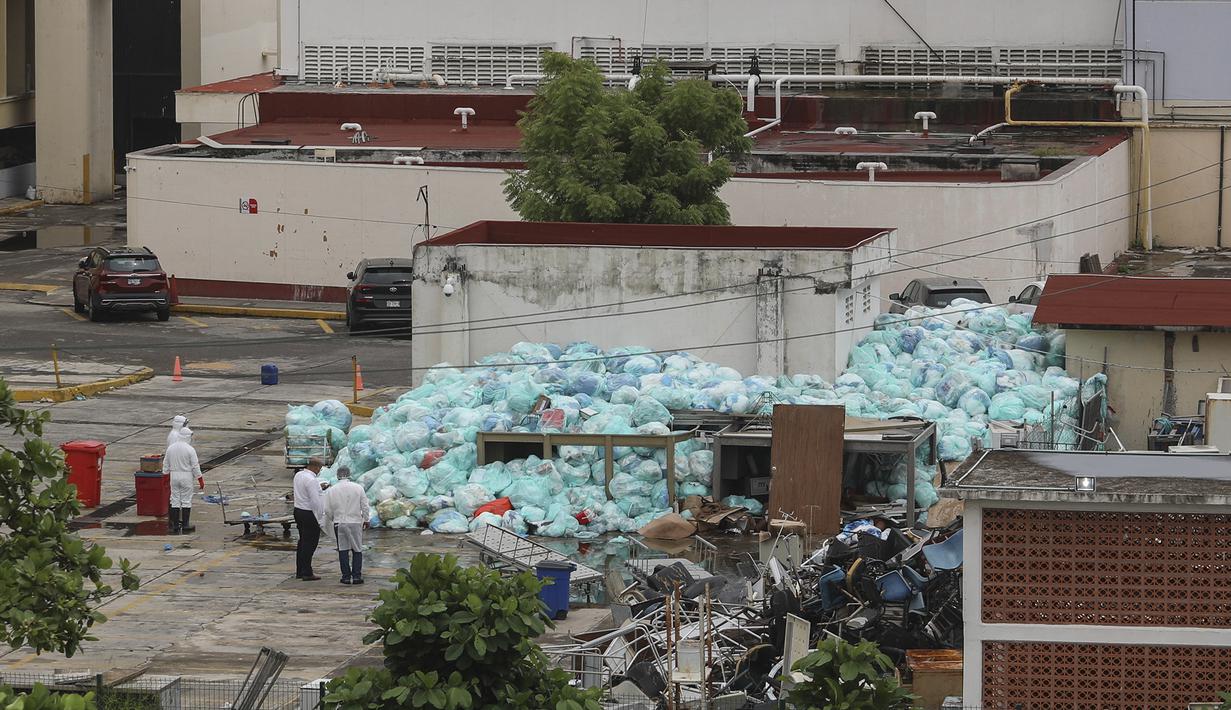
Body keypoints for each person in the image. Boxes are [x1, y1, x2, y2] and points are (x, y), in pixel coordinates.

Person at [323, 466, 370, 585]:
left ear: (337, 475)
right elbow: (364, 505)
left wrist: (334, 519)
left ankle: (345, 576)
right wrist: (366, 519)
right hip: (354, 522)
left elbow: (327, 509)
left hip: (340, 522)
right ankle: (356, 576)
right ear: (349, 474)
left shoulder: (332, 490)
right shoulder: (358, 488)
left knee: (343, 549)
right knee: (357, 549)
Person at [163, 426, 204, 533]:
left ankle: (175, 525)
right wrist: (200, 479)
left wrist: (165, 477)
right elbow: (195, 466)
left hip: (174, 476)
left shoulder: (171, 448)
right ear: (187, 437)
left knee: (175, 499)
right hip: (186, 476)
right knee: (186, 500)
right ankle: (185, 524)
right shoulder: (190, 449)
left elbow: (165, 464)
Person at [292, 456, 327, 581]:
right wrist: (321, 517)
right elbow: (315, 501)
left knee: (302, 542)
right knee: (310, 543)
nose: (319, 471)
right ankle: (307, 572)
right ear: (315, 467)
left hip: (298, 510)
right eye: (319, 468)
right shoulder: (312, 480)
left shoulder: (299, 475)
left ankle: (300, 570)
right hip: (309, 513)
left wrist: (319, 488)